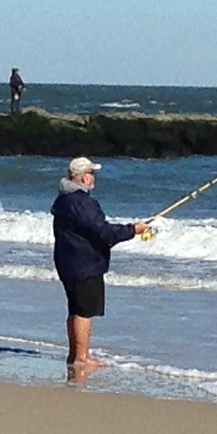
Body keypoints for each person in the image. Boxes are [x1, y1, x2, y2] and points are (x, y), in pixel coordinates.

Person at [51, 156, 149, 373]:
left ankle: (75, 354)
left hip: (69, 261)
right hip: (84, 263)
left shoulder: (63, 200)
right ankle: (81, 358)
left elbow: (93, 231)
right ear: (82, 177)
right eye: (91, 173)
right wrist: (133, 230)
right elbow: (103, 231)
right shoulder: (82, 202)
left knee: (76, 309)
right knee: (84, 311)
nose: (94, 177)